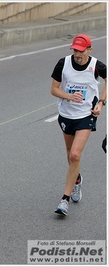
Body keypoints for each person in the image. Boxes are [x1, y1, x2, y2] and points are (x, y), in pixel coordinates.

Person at [50, 33, 107, 216]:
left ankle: (64, 200)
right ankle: (77, 179)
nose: (77, 54)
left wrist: (101, 103)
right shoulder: (63, 63)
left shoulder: (96, 66)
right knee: (69, 154)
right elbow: (54, 89)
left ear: (89, 50)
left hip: (86, 115)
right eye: (75, 50)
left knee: (75, 155)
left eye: (81, 51)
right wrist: (69, 96)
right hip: (66, 115)